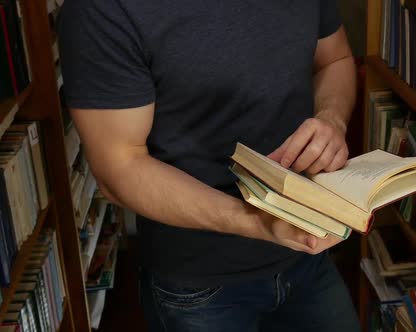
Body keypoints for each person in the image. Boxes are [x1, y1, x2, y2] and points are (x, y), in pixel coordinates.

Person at [57, 0, 360, 331]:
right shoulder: (102, 9)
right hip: (199, 283)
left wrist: (332, 118)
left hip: (307, 251)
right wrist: (260, 222)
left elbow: (335, 59)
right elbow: (119, 168)